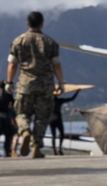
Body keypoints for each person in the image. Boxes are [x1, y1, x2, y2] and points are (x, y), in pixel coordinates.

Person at [6, 11, 65, 158]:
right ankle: (36, 148)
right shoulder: (50, 43)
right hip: (45, 86)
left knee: (21, 113)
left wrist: (9, 82)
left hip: (25, 85)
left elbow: (12, 65)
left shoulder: (18, 41)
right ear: (42, 24)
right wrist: (61, 82)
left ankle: (25, 131)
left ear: (27, 23)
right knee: (42, 117)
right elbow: (56, 65)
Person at [0, 81, 14, 157]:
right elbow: (12, 102)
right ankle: (7, 151)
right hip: (6, 116)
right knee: (8, 135)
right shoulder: (8, 94)